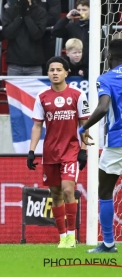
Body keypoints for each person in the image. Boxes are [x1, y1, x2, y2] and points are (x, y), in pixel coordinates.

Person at [27, 56, 90, 249]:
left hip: (70, 150)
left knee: (68, 190)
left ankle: (72, 236)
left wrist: (84, 149)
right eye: (51, 70)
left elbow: (84, 123)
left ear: (66, 72)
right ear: (48, 73)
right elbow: (37, 125)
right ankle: (62, 236)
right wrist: (31, 151)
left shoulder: (78, 95)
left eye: (58, 69)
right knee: (55, 194)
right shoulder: (42, 97)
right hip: (50, 153)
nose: (55, 73)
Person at [78, 39, 122, 253]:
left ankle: (108, 243)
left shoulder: (106, 78)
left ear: (109, 57)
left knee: (105, 190)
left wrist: (83, 127)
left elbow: (103, 107)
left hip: (118, 143)